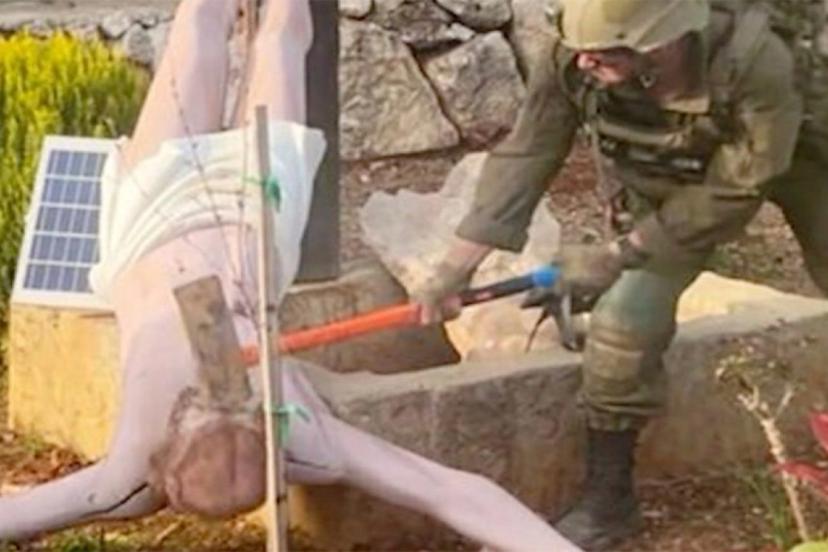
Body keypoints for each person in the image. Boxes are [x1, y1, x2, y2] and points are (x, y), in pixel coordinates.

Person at [0, 0, 582, 550]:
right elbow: (449, 490)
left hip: (156, 217)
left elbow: (450, 491)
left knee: (201, 34)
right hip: (253, 210)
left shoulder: (127, 475)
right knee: (277, 40)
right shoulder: (301, 437)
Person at [414, 0, 828, 549]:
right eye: (583, 50)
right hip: (672, 181)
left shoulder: (755, 59)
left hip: (798, 154)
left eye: (607, 53)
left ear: (663, 41)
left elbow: (740, 185)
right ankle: (609, 501)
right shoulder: (574, 55)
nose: (586, 62)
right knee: (623, 323)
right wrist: (454, 268)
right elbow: (529, 151)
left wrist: (617, 253)